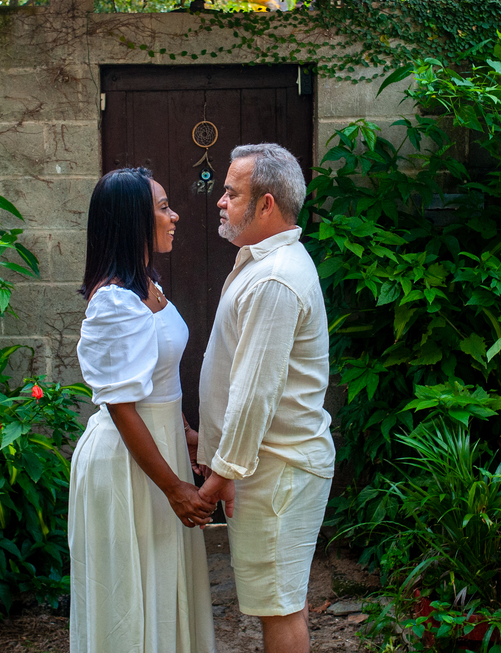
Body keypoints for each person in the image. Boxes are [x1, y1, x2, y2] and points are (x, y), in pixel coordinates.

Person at [68, 167, 217, 653]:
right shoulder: (113, 301)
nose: (174, 216)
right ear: (133, 221)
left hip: (161, 451)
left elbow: (160, 385)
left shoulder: (148, 284)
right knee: (132, 593)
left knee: (165, 584)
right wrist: (175, 487)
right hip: (130, 467)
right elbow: (121, 406)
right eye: (163, 207)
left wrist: (190, 437)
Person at [197, 144, 333, 653]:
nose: (220, 201)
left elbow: (256, 395)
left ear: (267, 204)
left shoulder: (275, 276)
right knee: (275, 604)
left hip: (279, 470)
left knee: (279, 608)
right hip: (267, 467)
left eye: (231, 193)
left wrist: (216, 478)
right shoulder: (264, 264)